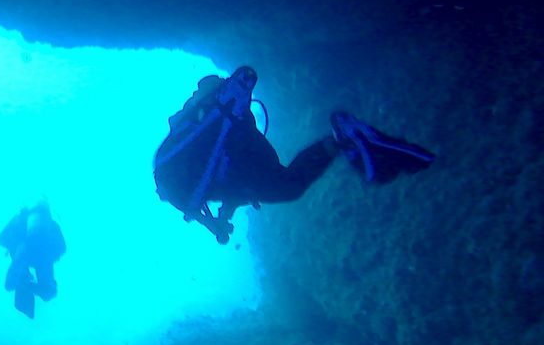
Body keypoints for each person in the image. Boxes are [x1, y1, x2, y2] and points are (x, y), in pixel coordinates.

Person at [153, 66, 435, 244]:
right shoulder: (184, 172)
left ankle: (341, 139)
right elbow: (227, 186)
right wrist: (228, 211)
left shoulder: (182, 195)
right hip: (242, 143)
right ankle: (344, 141)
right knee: (284, 183)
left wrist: (218, 227)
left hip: (240, 152)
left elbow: (209, 216)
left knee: (287, 187)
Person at [0, 201, 66, 318]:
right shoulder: (52, 225)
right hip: (43, 255)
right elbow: (62, 248)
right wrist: (50, 258)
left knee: (9, 284)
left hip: (23, 253)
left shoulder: (19, 219)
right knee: (49, 292)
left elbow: (1, 239)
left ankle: (24, 281)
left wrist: (14, 248)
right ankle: (29, 285)